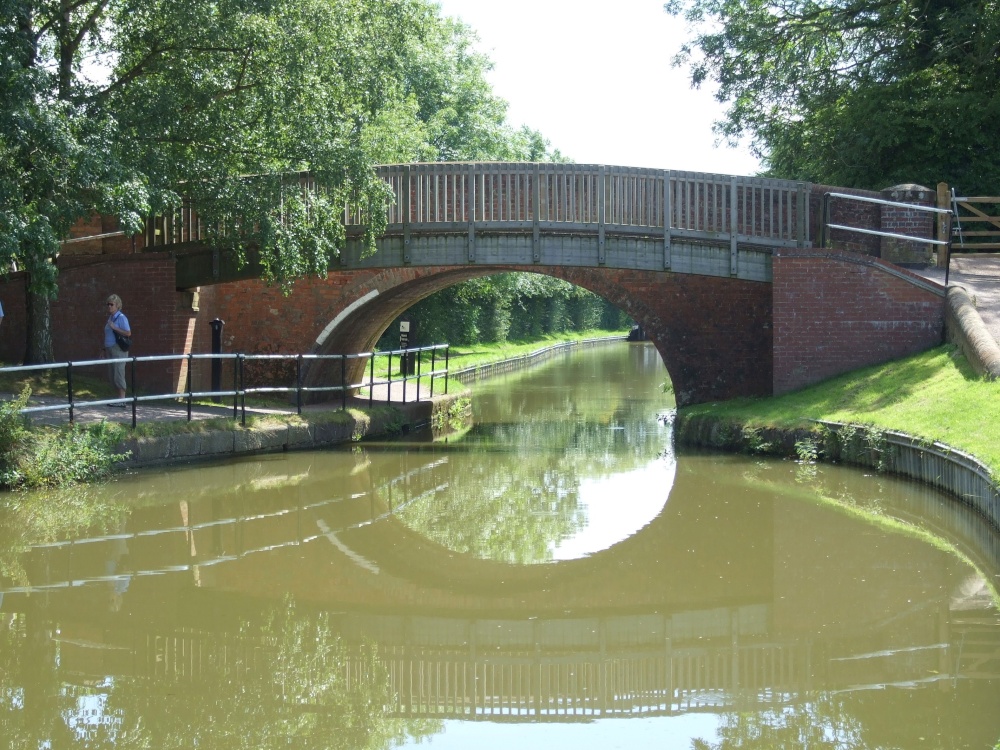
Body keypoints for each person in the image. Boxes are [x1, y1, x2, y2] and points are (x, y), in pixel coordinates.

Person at [104, 294, 131, 404]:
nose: (109, 306)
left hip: (118, 349)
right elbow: (108, 334)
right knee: (112, 374)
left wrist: (115, 327)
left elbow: (128, 333)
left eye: (111, 304)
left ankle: (122, 399)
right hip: (109, 348)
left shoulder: (121, 318)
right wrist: (103, 349)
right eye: (108, 304)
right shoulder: (110, 318)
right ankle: (118, 398)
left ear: (117, 305)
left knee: (118, 373)